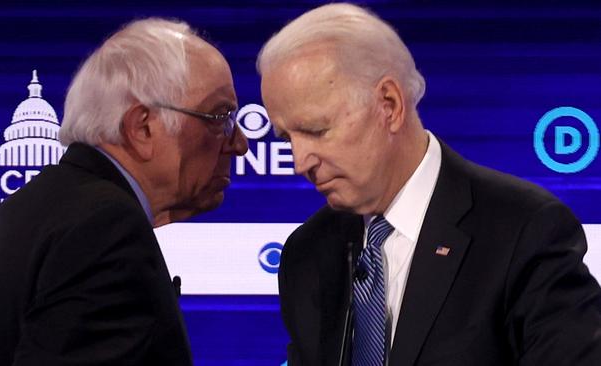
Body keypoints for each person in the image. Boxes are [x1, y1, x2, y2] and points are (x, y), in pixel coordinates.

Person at [258, 3, 601, 365]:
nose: (299, 162)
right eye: (286, 138)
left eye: (316, 130)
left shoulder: (522, 229)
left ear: (388, 105)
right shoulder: (307, 253)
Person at [0, 17, 247, 366]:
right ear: (143, 127)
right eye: (219, 117)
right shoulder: (104, 227)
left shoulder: (36, 207)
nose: (240, 144)